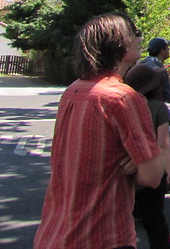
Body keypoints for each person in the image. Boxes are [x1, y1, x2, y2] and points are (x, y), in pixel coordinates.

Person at [34, 13, 163, 249]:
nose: (139, 37)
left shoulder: (72, 91)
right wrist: (137, 163)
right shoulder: (124, 97)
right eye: (134, 32)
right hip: (103, 234)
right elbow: (152, 176)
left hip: (54, 232)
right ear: (118, 44)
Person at [125, 64, 170, 249]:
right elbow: (163, 146)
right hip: (152, 172)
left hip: (128, 171)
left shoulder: (124, 105)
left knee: (124, 225)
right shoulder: (158, 108)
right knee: (156, 224)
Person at [141, 37, 170, 103]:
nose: (169, 49)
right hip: (151, 105)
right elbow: (169, 97)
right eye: (167, 47)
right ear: (162, 51)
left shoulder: (146, 64)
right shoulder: (156, 68)